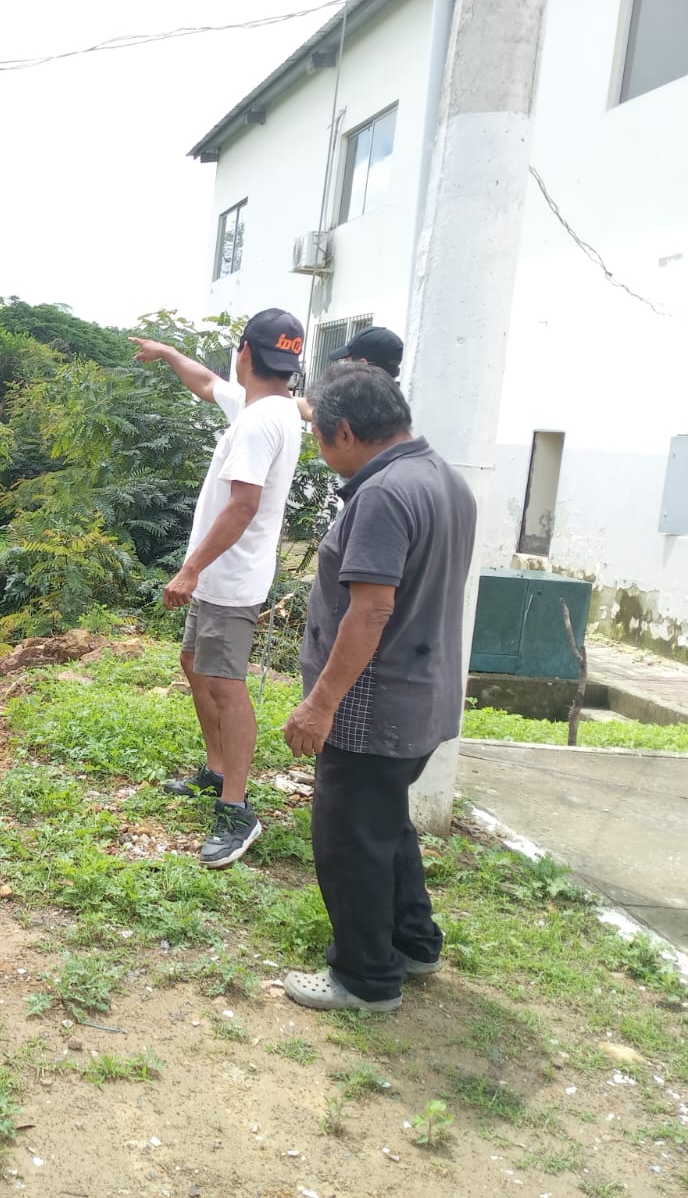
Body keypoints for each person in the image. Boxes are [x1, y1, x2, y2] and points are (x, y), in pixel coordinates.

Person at [281, 362, 476, 1012]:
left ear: (344, 431)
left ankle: (365, 978)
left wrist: (319, 704)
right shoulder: (445, 478)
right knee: (385, 825)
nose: (317, 446)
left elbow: (370, 611)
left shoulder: (384, 495)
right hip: (423, 697)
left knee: (350, 841)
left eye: (318, 433)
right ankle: (414, 942)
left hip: (371, 707)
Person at [129, 309, 307, 868]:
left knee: (227, 687)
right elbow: (207, 384)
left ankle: (237, 809)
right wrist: (168, 353)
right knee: (193, 663)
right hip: (223, 574)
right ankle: (216, 769)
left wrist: (190, 570)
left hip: (229, 578)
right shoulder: (269, 407)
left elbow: (243, 505)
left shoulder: (258, 423)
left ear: (245, 351)